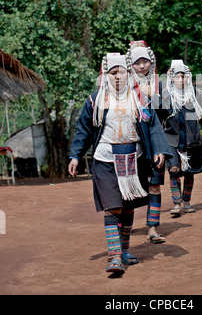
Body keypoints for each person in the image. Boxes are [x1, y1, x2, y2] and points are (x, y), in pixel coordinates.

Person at [68, 53, 172, 275]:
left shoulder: (140, 99)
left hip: (134, 159)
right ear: (105, 75)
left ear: (128, 73)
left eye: (121, 72)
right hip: (105, 160)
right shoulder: (96, 101)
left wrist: (160, 150)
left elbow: (153, 125)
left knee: (128, 207)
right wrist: (75, 155)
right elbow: (84, 130)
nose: (117, 77)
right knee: (113, 207)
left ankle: (124, 250)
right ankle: (114, 256)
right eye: (112, 73)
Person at [156, 59, 202, 216]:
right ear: (171, 77)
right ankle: (177, 203)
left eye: (183, 76)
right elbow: (156, 111)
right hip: (171, 139)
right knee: (174, 170)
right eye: (177, 76)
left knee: (189, 172)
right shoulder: (165, 94)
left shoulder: (194, 93)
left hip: (191, 139)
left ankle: (186, 202)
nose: (181, 80)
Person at [126, 40, 166, 244]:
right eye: (137, 62)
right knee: (129, 186)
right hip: (132, 143)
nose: (142, 66)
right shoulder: (122, 83)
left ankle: (152, 227)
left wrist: (153, 95)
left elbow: (169, 109)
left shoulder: (158, 83)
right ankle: (127, 224)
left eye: (145, 61)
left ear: (151, 62)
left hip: (156, 141)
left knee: (155, 186)